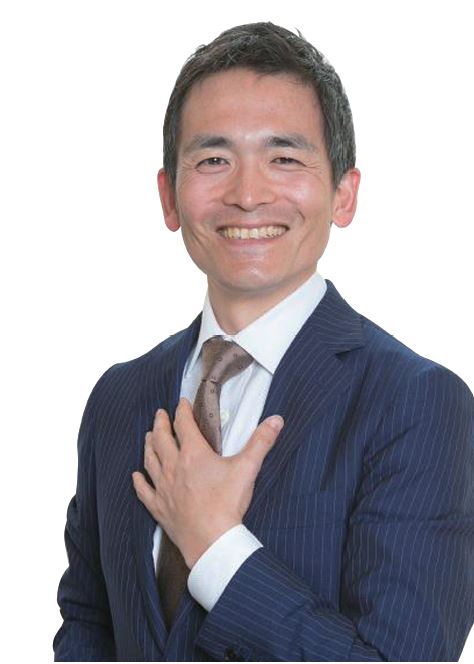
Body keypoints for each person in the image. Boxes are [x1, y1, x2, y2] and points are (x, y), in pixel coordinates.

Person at [53, 22, 474, 661]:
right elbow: (88, 621)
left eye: (285, 159)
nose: (248, 195)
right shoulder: (118, 398)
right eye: (213, 160)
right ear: (169, 196)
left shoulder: (417, 404)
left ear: (343, 194)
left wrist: (217, 547)